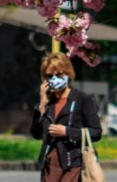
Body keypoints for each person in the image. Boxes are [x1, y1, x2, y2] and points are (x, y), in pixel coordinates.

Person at [31, 53, 102, 182]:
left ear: (68, 73)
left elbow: (96, 132)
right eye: (49, 76)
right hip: (50, 164)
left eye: (59, 75)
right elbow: (36, 134)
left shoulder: (82, 99)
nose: (54, 79)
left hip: (73, 163)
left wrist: (67, 132)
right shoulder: (47, 102)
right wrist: (41, 105)